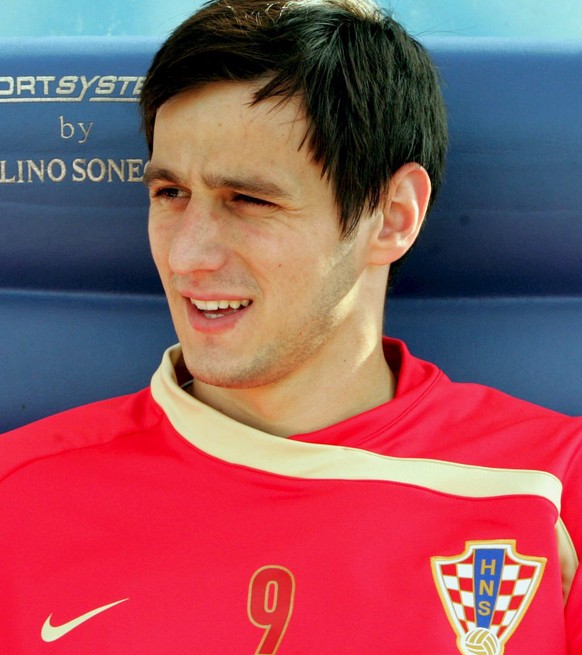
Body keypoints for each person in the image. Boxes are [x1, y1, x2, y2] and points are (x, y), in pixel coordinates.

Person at [1, 0, 581, 652]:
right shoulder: (16, 499)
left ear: (392, 216)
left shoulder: (552, 487)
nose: (187, 255)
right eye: (170, 194)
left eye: (248, 200)